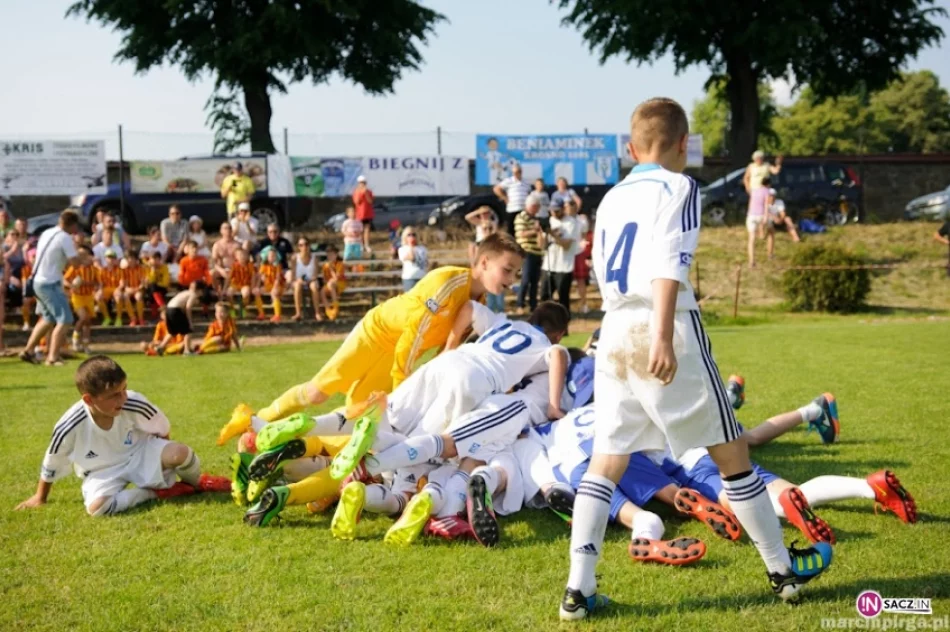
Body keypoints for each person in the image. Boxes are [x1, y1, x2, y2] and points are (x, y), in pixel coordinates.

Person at [560, 98, 832, 622]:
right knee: (731, 455)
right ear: (684, 144)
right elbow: (670, 262)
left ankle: (579, 589)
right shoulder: (679, 186)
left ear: (631, 147)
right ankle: (782, 570)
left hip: (614, 328)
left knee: (607, 459)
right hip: (663, 326)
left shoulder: (612, 197)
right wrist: (662, 333)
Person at [252, 301, 571, 533]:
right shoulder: (547, 343)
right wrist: (555, 406)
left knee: (387, 413)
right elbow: (556, 356)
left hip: (447, 363)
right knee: (417, 458)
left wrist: (450, 344)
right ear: (558, 333)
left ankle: (314, 424)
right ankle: (372, 472)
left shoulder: (504, 323)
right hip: (475, 380)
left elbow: (470, 308)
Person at [216, 232, 525, 445]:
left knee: (361, 411)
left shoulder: (478, 308)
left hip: (398, 355)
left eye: (516, 274)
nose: (512, 281)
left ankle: (302, 451)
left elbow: (442, 356)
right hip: (374, 335)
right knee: (317, 393)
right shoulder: (448, 281)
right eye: (507, 270)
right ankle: (256, 419)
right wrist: (403, 385)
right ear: (483, 262)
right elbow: (413, 333)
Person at [14, 356, 229, 516]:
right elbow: (52, 460)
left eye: (124, 389)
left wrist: (164, 463)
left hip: (139, 453)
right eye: (114, 395)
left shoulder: (133, 402)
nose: (123, 397)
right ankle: (155, 493)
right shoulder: (69, 425)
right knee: (96, 509)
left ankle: (198, 484)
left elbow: (162, 430)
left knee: (180, 453)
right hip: (102, 470)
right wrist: (40, 497)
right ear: (89, 400)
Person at [20, 209, 82, 367]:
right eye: (76, 226)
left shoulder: (47, 232)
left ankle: (28, 351)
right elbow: (75, 262)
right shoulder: (65, 237)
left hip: (37, 281)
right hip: (49, 283)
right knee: (66, 319)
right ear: (72, 224)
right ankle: (52, 357)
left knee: (48, 319)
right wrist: (83, 256)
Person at [540, 197, 579, 315]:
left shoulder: (571, 222)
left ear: (563, 209)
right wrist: (541, 232)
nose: (554, 213)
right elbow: (542, 246)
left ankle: (564, 326)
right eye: (552, 210)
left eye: (557, 210)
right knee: (544, 296)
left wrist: (553, 234)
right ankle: (545, 324)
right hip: (549, 264)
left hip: (564, 266)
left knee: (563, 298)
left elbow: (566, 245)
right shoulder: (550, 221)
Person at [465, 206, 504, 312]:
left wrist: (489, 225)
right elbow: (467, 217)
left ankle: (498, 307)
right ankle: (486, 307)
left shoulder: (493, 223)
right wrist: (479, 212)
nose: (485, 215)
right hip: (481, 251)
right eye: (483, 214)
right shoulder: (478, 223)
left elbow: (494, 237)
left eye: (487, 213)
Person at [514, 194, 545, 313]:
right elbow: (521, 233)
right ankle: (520, 305)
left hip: (537, 252)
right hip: (527, 252)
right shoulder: (521, 217)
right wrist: (535, 230)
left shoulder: (534, 219)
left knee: (535, 281)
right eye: (536, 207)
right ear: (531, 206)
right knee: (526, 279)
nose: (537, 210)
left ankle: (533, 305)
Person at [65, 246, 99, 353]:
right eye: (80, 255)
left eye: (85, 255)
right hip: (77, 296)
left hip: (89, 297)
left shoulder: (94, 269)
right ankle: (75, 337)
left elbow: (97, 283)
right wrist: (72, 285)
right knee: (84, 317)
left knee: (88, 322)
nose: (83, 258)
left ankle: (85, 344)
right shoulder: (75, 268)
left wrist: (86, 283)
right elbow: (65, 279)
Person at [290, 237, 323, 322]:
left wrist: (309, 280)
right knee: (297, 285)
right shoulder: (294, 258)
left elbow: (316, 274)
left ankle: (317, 313)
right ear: (298, 247)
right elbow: (293, 275)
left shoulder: (314, 258)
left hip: (311, 280)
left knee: (314, 286)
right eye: (301, 245)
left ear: (309, 246)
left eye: (306, 244)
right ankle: (298, 313)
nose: (304, 247)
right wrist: (299, 280)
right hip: (298, 281)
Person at [494, 163, 533, 235]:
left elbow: (529, 193)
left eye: (518, 172)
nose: (516, 174)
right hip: (512, 209)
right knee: (511, 230)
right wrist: (504, 197)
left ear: (521, 172)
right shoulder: (509, 181)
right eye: (514, 172)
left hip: (523, 210)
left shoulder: (526, 182)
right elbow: (496, 189)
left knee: (522, 229)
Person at [228, 247, 264, 320]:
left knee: (246, 293)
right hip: (235, 283)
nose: (242, 257)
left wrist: (252, 287)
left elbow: (253, 276)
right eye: (240, 255)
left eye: (243, 255)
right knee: (228, 293)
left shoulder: (250, 265)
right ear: (236, 257)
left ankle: (243, 308)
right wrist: (225, 288)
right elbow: (229, 277)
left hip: (245, 284)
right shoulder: (234, 265)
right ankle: (232, 309)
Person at [765, 187, 801, 258]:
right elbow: (765, 213)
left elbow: (783, 213)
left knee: (787, 219)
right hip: (769, 222)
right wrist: (774, 217)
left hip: (778, 221)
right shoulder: (764, 203)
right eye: (770, 195)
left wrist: (780, 219)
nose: (771, 197)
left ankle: (796, 238)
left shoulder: (779, 202)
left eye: (772, 195)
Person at [571, 203, 593, 313]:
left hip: (578, 253)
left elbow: (584, 236)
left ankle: (584, 304)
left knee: (581, 280)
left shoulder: (582, 220)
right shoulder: (562, 220)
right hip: (566, 254)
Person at [162, 288, 198, 355]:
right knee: (188, 330)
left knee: (172, 332)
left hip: (168, 309)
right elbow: (188, 307)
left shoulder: (184, 292)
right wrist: (190, 322)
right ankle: (187, 351)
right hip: (176, 309)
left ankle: (160, 347)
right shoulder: (193, 294)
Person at [746, 176, 771, 268]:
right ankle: (762, 234)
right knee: (769, 231)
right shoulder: (767, 191)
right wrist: (766, 216)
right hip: (760, 215)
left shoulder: (754, 190)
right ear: (768, 184)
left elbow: (750, 202)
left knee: (751, 239)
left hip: (751, 215)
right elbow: (766, 205)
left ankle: (751, 261)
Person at [211, 222, 241, 298]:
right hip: (221, 269)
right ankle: (217, 291)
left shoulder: (237, 244)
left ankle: (223, 293)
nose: (228, 230)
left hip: (234, 270)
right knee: (212, 273)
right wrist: (221, 270)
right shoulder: (217, 245)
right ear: (221, 231)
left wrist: (232, 269)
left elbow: (241, 260)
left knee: (229, 273)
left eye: (230, 228)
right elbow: (214, 261)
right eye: (225, 228)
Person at [177, 241, 212, 306]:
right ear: (188, 250)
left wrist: (208, 281)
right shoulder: (183, 261)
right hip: (187, 283)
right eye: (192, 248)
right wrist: (181, 282)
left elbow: (206, 272)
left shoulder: (203, 259)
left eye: (196, 248)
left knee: (207, 292)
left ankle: (205, 312)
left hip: (199, 282)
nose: (194, 250)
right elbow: (181, 273)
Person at [95, 249, 125, 327]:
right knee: (98, 296)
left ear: (115, 259)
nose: (111, 259)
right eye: (109, 257)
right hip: (106, 289)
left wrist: (118, 289)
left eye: (112, 257)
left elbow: (122, 283)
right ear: (105, 259)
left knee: (119, 296)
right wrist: (100, 290)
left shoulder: (119, 270)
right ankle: (107, 318)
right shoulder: (102, 270)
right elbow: (100, 284)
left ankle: (119, 318)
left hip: (115, 288)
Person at [118, 250, 147, 326]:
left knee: (139, 297)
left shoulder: (141, 269)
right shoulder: (124, 270)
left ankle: (140, 318)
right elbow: (124, 284)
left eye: (132, 258)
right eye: (128, 258)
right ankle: (133, 318)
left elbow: (143, 283)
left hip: (138, 289)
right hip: (129, 289)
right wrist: (128, 289)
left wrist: (136, 289)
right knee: (125, 296)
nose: (130, 260)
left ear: (136, 259)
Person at [258, 246, 285, 323]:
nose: (272, 257)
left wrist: (274, 287)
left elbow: (278, 278)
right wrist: (257, 284)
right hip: (268, 285)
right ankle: (261, 313)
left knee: (274, 293)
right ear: (267, 256)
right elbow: (260, 275)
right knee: (257, 292)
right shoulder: (264, 265)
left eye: (274, 256)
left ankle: (277, 315)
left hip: (278, 285)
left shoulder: (278, 265)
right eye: (270, 256)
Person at [320, 244, 346, 321]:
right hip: (330, 284)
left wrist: (331, 269)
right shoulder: (325, 265)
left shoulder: (340, 264)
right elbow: (324, 279)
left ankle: (335, 307)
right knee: (322, 292)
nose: (330, 256)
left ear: (336, 255)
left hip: (340, 283)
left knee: (331, 283)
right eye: (328, 255)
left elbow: (336, 278)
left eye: (332, 254)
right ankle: (328, 310)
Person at [398, 227, 428, 292]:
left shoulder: (422, 248)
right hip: (410, 278)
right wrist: (411, 246)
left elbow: (426, 262)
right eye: (409, 235)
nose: (412, 237)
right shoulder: (402, 249)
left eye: (414, 234)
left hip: (422, 277)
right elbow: (411, 258)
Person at [352, 175, 375, 253]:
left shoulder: (369, 191)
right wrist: (360, 193)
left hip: (367, 213)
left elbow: (370, 201)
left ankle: (367, 245)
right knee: (360, 230)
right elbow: (356, 202)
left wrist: (366, 193)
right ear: (358, 183)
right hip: (359, 214)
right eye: (361, 183)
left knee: (367, 229)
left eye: (364, 183)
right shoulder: (356, 191)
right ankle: (361, 245)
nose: (362, 184)